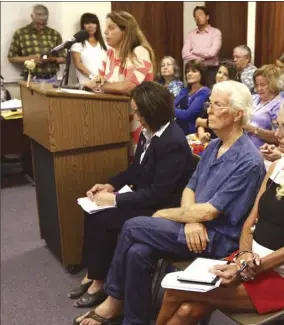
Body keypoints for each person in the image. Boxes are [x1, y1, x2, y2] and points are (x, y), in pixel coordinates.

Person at [73, 80, 266, 325]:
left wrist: (167, 214)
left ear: (238, 114)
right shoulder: (215, 145)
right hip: (194, 227)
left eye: (218, 105)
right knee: (137, 251)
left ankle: (112, 301)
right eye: (210, 104)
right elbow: (190, 188)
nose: (209, 110)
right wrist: (188, 220)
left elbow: (209, 212)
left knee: (132, 226)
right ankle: (134, 320)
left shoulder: (248, 161)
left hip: (216, 238)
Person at [155, 95, 284, 325]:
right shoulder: (278, 165)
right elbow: (250, 223)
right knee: (187, 310)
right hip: (253, 264)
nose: (278, 134)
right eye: (277, 126)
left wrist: (247, 268)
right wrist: (243, 258)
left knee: (176, 291)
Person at [68, 82, 194, 309]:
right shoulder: (150, 133)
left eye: (137, 111)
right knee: (93, 210)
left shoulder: (172, 141)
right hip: (145, 197)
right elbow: (136, 169)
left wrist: (115, 199)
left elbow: (158, 194)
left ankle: (99, 282)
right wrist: (109, 185)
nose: (134, 115)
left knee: (104, 217)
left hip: (162, 208)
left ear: (151, 111)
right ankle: (96, 273)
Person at [84, 11, 155, 160]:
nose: (105, 32)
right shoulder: (110, 54)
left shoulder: (138, 52)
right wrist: (96, 83)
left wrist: (98, 86)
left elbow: (128, 86)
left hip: (139, 118)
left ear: (126, 30)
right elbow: (99, 79)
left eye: (111, 28)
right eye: (106, 28)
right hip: (116, 117)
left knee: (136, 161)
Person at [7, 4, 66, 83]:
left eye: (44, 24)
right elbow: (11, 58)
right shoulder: (21, 33)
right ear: (32, 17)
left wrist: (53, 59)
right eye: (38, 23)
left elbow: (64, 58)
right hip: (30, 79)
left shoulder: (54, 34)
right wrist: (29, 58)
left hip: (52, 79)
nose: (41, 27)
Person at [193, 60, 237, 151]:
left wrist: (202, 122)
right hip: (205, 139)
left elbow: (224, 123)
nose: (220, 76)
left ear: (231, 79)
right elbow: (199, 119)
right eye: (219, 72)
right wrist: (201, 133)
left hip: (223, 141)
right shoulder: (211, 93)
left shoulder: (233, 98)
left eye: (225, 74)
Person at [243, 64, 284, 149]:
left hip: (262, 152)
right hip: (242, 147)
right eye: (257, 85)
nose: (259, 88)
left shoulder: (280, 105)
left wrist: (253, 129)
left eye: (262, 85)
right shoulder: (253, 98)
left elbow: (278, 137)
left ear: (273, 84)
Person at [182, 6, 222, 86]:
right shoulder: (191, 34)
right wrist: (201, 59)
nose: (197, 17)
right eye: (195, 16)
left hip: (211, 70)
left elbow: (212, 53)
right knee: (193, 94)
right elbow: (185, 54)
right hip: (194, 70)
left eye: (200, 14)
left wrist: (195, 50)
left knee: (210, 94)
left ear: (207, 17)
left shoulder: (215, 32)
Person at [174, 60, 211, 135]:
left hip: (191, 133)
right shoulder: (184, 90)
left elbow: (188, 115)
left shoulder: (205, 92)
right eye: (187, 72)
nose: (189, 74)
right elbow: (173, 105)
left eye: (194, 71)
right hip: (177, 128)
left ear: (202, 74)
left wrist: (169, 108)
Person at [71, 13, 107, 84]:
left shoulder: (105, 43)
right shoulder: (77, 43)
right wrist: (93, 77)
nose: (90, 26)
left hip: (104, 83)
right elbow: (78, 65)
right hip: (86, 84)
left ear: (97, 25)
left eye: (93, 23)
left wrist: (102, 79)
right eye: (87, 23)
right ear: (82, 25)